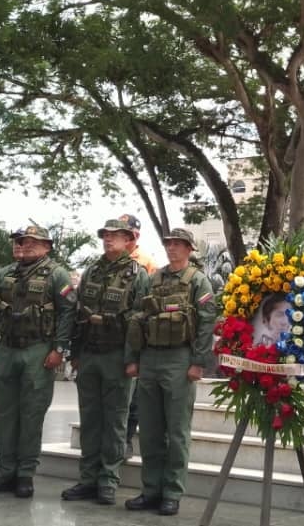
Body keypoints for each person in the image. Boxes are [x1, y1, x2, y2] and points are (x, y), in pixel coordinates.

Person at [0, 224, 76, 498]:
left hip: (39, 351)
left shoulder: (57, 274)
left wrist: (59, 348)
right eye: (21, 241)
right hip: (6, 349)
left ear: (47, 246)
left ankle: (25, 474)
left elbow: (68, 313)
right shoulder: (5, 273)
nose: (25, 245)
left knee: (31, 415)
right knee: (5, 414)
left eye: (32, 242)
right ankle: (5, 470)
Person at [124, 227, 216, 516]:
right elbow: (136, 319)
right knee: (150, 430)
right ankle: (150, 490)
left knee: (176, 431)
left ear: (189, 248)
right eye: (169, 244)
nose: (172, 248)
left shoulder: (198, 281)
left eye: (178, 244)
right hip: (150, 358)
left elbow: (206, 323)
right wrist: (133, 358)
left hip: (179, 358)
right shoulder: (152, 279)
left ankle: (172, 492)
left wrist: (199, 362)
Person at [61, 216, 149, 506]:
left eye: (116, 235)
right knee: (90, 418)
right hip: (89, 353)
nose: (109, 239)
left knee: (115, 421)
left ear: (128, 240)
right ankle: (87, 479)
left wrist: (133, 358)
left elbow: (140, 320)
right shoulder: (92, 270)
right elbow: (77, 314)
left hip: (117, 356)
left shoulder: (137, 273)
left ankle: (108, 481)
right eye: (106, 235)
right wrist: (74, 352)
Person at [119, 212, 156, 458]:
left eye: (125, 233)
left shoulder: (143, 262)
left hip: (133, 334)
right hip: (111, 336)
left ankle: (127, 439)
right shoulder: (110, 262)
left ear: (135, 235)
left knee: (133, 395)